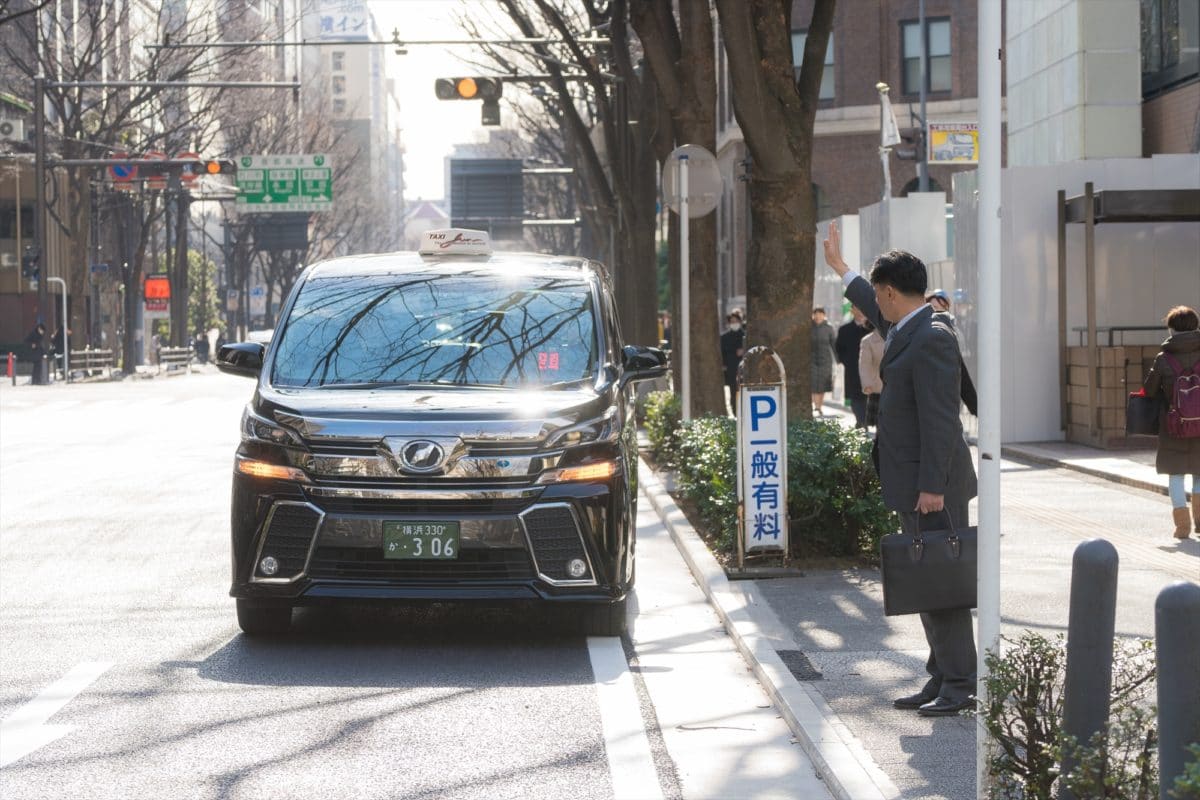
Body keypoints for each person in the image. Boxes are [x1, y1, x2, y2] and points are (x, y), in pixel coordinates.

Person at [824, 220, 978, 717]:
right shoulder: (910, 325)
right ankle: (942, 676)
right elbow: (874, 308)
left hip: (933, 485)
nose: (875, 305)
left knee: (943, 586)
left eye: (877, 294)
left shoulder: (930, 336)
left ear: (891, 292)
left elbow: (940, 419)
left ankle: (960, 683)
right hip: (917, 481)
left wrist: (932, 485)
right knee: (928, 581)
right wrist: (843, 270)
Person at [1142, 305, 1200, 539]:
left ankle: (1182, 527)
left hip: (1174, 426)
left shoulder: (1163, 359)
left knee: (1176, 475)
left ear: (1172, 329)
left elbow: (1149, 390)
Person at [836, 306, 870, 427]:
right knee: (855, 397)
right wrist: (845, 361)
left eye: (861, 308)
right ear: (852, 310)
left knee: (869, 395)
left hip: (870, 369)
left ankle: (865, 421)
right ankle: (861, 421)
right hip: (852, 369)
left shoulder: (872, 328)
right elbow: (839, 348)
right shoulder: (844, 329)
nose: (859, 311)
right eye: (856, 308)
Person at [720, 309, 746, 416]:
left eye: (736, 321)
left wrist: (743, 350)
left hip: (744, 370)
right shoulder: (724, 338)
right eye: (732, 321)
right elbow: (722, 353)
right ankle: (735, 413)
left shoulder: (745, 336)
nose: (734, 323)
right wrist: (724, 365)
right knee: (733, 392)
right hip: (731, 369)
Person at [810, 307, 836, 416]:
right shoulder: (809, 327)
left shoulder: (829, 328)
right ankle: (815, 406)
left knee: (822, 384)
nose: (818, 316)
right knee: (813, 384)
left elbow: (834, 344)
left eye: (820, 314)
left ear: (824, 315)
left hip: (825, 360)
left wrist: (838, 360)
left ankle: (819, 406)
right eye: (816, 314)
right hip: (811, 360)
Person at [859, 321, 884, 428]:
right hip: (878, 387)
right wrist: (867, 384)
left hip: (899, 387)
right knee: (880, 424)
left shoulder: (901, 335)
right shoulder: (868, 340)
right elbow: (864, 364)